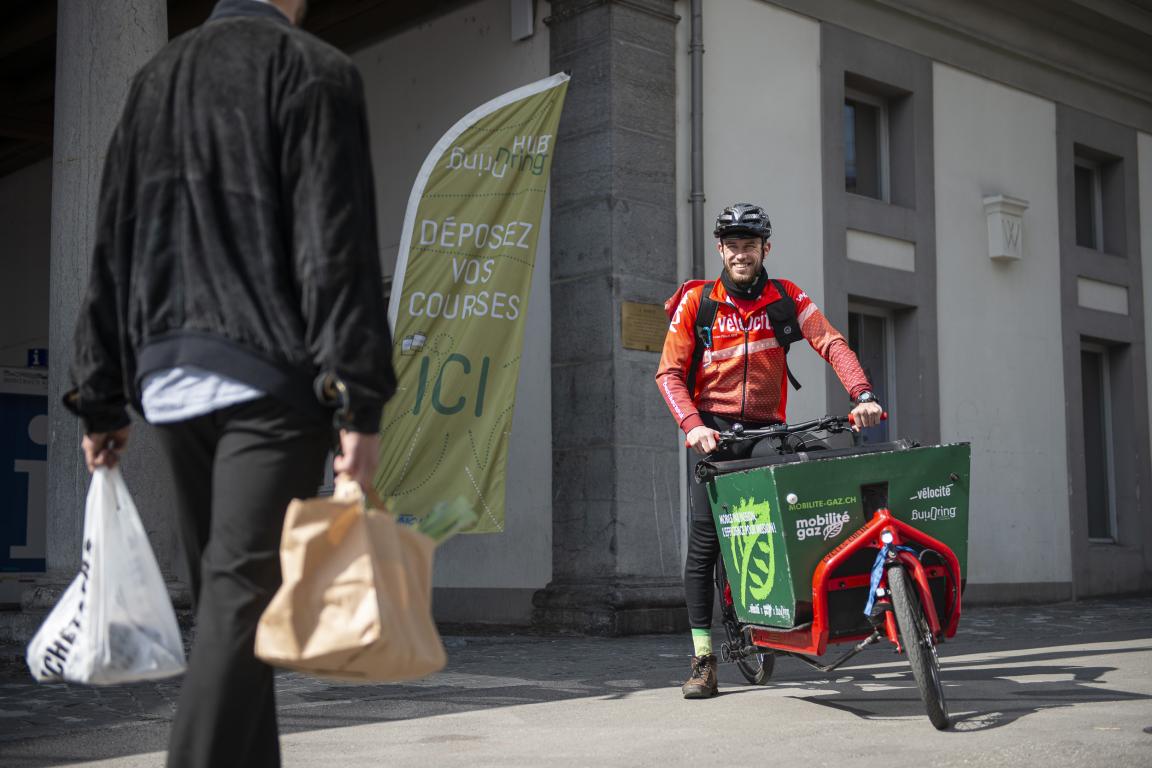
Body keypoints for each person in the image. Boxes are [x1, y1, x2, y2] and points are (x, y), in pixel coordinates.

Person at [63, 0, 395, 764]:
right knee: (241, 606)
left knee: (233, 609)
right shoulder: (313, 69)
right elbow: (332, 245)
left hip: (170, 375)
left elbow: (112, 239)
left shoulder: (155, 76)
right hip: (269, 378)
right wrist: (360, 399)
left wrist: (102, 394)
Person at [655, 202, 883, 699]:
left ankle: (791, 619)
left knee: (789, 524)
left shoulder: (786, 298)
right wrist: (693, 426)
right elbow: (669, 374)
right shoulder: (699, 303)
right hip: (715, 434)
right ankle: (703, 660)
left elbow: (831, 343)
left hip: (768, 431)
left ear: (765, 250)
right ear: (721, 249)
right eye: (732, 246)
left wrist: (862, 394)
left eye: (750, 246)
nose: (741, 254)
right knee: (705, 545)